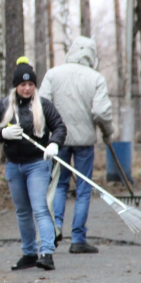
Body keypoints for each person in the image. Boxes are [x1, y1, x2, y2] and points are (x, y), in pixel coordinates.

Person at [0, 57, 67, 271]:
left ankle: (47, 253)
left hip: (37, 164)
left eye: (31, 84)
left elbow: (59, 127)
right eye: (23, 84)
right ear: (16, 86)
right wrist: (2, 132)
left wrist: (54, 144)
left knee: (40, 207)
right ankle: (29, 253)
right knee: (22, 211)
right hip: (14, 165)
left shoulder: (44, 105)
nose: (27, 88)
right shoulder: (5, 105)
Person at [40, 36, 114, 253]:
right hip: (84, 142)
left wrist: (47, 133)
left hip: (58, 140)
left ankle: (55, 229)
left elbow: (42, 105)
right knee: (83, 190)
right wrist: (108, 134)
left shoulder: (53, 74)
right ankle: (78, 239)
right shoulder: (96, 78)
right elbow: (101, 112)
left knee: (60, 185)